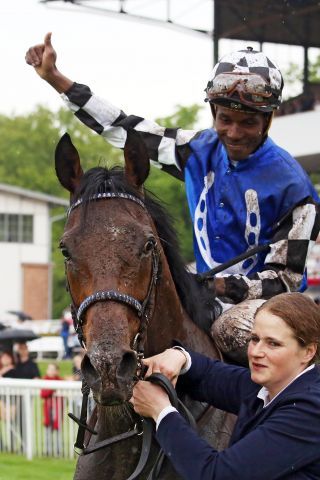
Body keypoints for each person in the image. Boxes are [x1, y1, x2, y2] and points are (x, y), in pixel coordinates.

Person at [25, 34, 320, 362]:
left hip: (264, 306)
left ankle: (271, 409)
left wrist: (220, 287)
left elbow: (284, 281)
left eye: (248, 122)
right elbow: (123, 127)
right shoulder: (197, 149)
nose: (234, 133)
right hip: (207, 286)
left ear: (268, 120)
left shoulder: (295, 188)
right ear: (213, 113)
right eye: (225, 119)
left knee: (228, 329)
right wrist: (56, 79)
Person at [131, 292, 320, 479]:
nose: (255, 352)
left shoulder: (310, 410)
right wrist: (179, 356)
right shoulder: (273, 384)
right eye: (254, 339)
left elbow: (218, 474)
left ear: (308, 352)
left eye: (273, 344)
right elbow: (209, 376)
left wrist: (161, 411)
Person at [40, 363, 63, 455]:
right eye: (49, 369)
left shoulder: (60, 381)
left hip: (57, 409)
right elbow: (43, 394)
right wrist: (52, 389)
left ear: (57, 371)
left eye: (53, 369)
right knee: (47, 430)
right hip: (48, 409)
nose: (51, 371)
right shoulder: (45, 380)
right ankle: (48, 450)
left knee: (57, 430)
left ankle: (58, 450)